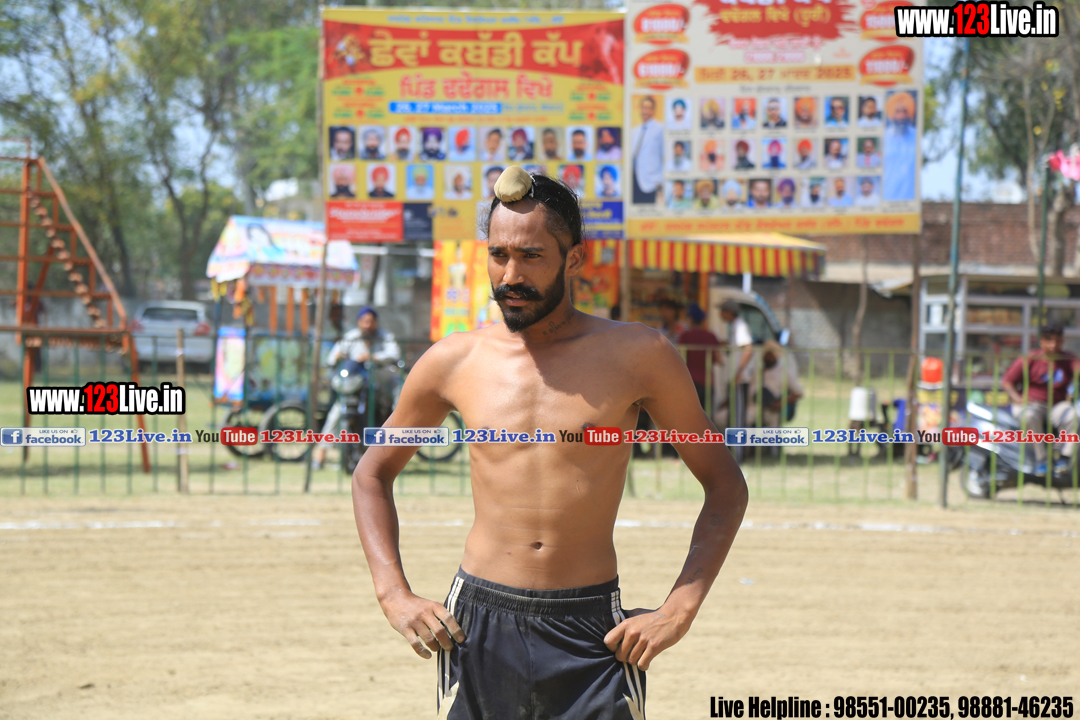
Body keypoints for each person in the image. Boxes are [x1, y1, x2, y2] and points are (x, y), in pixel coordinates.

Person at [352, 167, 748, 720]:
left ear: (574, 258)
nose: (510, 275)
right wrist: (393, 593)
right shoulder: (453, 361)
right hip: (477, 626)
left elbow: (724, 484)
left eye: (531, 256)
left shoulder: (639, 355)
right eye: (498, 255)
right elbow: (371, 473)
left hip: (593, 632)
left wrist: (679, 608)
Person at [312, 306, 401, 471]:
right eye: (364, 321)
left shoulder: (385, 337)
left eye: (371, 321)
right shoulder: (351, 337)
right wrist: (338, 357)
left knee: (399, 397)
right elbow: (333, 356)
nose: (367, 325)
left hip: (381, 381)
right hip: (356, 384)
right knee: (336, 412)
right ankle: (320, 456)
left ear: (376, 322)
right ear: (358, 322)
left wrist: (374, 357)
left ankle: (399, 445)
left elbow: (394, 354)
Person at [1001, 324, 1080, 474]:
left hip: (1057, 405)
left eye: (1057, 341)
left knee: (1072, 415)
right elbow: (1007, 381)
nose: (1053, 345)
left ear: (1062, 341)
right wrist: (1017, 398)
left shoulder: (1068, 359)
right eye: (1049, 340)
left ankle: (1065, 458)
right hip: (1032, 404)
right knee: (1028, 415)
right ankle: (1041, 459)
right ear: (1041, 341)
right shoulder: (1030, 358)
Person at [743, 340, 803, 429]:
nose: (768, 358)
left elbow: (798, 393)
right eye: (766, 355)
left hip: (771, 410)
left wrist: (780, 402)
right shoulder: (757, 372)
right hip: (753, 408)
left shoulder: (784, 373)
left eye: (770, 355)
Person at [678, 303, 723, 411]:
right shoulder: (711, 336)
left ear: (690, 319)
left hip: (690, 382)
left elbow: (679, 358)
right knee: (706, 416)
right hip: (708, 382)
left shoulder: (685, 336)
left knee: (690, 415)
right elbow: (719, 360)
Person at [718, 299, 754, 411]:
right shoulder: (735, 326)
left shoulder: (740, 326)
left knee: (738, 413)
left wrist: (739, 373)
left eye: (722, 311)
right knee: (734, 411)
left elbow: (748, 348)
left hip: (739, 378)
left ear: (729, 312)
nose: (720, 314)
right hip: (736, 376)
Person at [883, 90, 917, 201]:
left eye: (905, 111)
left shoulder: (916, 136)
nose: (901, 116)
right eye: (897, 112)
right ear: (892, 114)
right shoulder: (883, 138)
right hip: (886, 198)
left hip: (910, 200)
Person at [630, 96, 663, 204]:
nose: (645, 111)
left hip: (651, 182)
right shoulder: (635, 131)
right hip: (634, 180)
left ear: (653, 110)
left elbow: (665, 156)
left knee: (648, 211)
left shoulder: (660, 129)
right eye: (643, 108)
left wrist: (659, 180)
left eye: (648, 108)